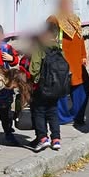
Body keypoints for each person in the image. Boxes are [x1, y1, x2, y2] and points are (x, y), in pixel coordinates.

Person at [49, 0, 89, 126]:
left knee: (82, 88)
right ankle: (63, 117)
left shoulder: (75, 19)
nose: (67, 5)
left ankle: (78, 115)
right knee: (61, 91)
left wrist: (83, 56)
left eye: (68, 2)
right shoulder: (54, 19)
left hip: (77, 62)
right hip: (62, 61)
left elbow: (80, 39)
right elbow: (48, 38)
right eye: (64, 2)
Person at [29, 23, 70, 152]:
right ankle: (56, 139)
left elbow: (34, 68)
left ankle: (42, 138)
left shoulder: (39, 47)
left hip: (42, 86)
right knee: (53, 111)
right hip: (57, 87)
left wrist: (34, 81)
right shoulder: (59, 48)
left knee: (38, 111)